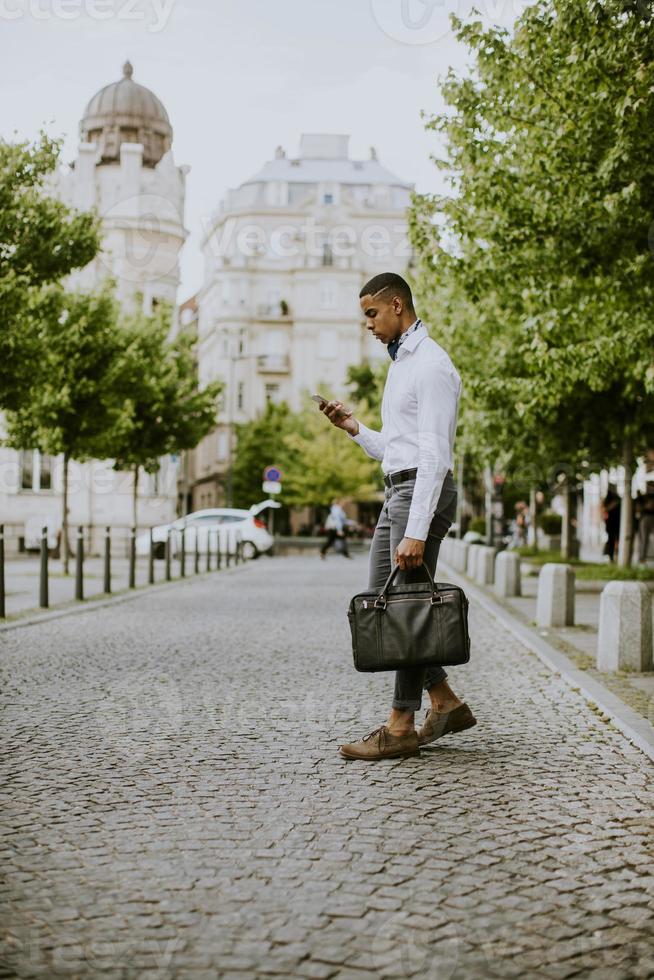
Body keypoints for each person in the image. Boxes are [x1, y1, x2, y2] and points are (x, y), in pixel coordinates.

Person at [320, 272, 476, 761]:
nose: (367, 324)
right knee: (384, 604)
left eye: (371, 313)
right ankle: (445, 702)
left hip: (419, 496)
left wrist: (415, 529)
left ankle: (400, 726)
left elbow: (432, 455)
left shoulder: (430, 365)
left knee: (403, 607)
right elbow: (397, 447)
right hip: (399, 491)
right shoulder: (402, 363)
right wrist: (354, 428)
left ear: (396, 305)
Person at [636, 480, 654, 564]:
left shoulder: (650, 497)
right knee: (643, 538)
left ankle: (642, 557)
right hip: (644, 518)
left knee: (644, 538)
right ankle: (642, 558)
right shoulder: (644, 496)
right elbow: (638, 508)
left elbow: (649, 506)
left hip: (649, 517)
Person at [602, 486, 621, 562]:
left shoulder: (618, 499)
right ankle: (610, 555)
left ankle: (616, 555)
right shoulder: (609, 499)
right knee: (611, 540)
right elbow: (604, 509)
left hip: (617, 523)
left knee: (617, 539)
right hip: (610, 524)